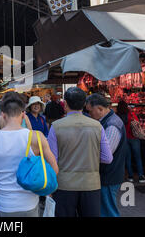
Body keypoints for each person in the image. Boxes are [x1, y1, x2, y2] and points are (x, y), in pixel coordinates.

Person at [0, 92, 58, 217]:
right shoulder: (37, 137)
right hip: (29, 203)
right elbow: (54, 169)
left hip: (3, 204)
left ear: (3, 115)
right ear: (23, 114)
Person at [47, 87, 113, 217]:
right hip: (91, 184)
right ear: (84, 104)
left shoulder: (56, 126)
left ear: (65, 104)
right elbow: (107, 158)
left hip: (64, 185)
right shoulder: (97, 126)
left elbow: (52, 160)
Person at [85, 93, 127, 217]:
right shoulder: (107, 121)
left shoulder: (112, 125)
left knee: (108, 211)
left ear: (100, 109)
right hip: (108, 175)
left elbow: (105, 155)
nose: (89, 114)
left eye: (90, 111)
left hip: (109, 176)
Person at [116, 100, 145, 183]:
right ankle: (140, 176)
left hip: (124, 139)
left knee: (127, 158)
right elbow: (138, 124)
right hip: (134, 138)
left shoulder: (117, 116)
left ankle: (130, 176)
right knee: (137, 157)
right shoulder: (131, 114)